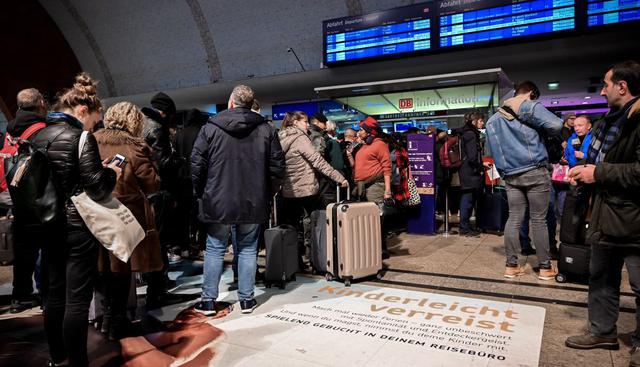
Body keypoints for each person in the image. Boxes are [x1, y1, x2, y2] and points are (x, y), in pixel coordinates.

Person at [26, 73, 120, 366]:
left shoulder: (35, 135)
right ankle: (79, 362)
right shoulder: (80, 137)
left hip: (46, 223)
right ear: (82, 111)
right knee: (77, 300)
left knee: (54, 296)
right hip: (77, 225)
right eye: (94, 119)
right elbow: (96, 186)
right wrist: (110, 173)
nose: (94, 124)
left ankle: (57, 357)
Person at [565, 61, 640, 367]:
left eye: (607, 84)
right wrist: (582, 172)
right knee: (601, 278)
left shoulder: (636, 122)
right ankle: (602, 331)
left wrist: (599, 173)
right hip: (604, 214)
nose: (603, 89)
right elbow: (597, 162)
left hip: (635, 219)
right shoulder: (607, 122)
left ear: (622, 86)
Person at [191, 85, 285, 315]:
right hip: (253, 198)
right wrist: (268, 192)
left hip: (217, 198)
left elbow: (197, 163)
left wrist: (201, 191)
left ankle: (208, 301)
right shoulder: (266, 129)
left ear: (231, 102)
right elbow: (277, 167)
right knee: (247, 249)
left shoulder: (210, 128)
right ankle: (246, 300)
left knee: (214, 249)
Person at [94, 102, 162, 340]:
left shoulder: (91, 140)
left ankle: (105, 319)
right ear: (134, 122)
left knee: (102, 270)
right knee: (121, 272)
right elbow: (152, 183)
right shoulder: (134, 147)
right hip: (125, 216)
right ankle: (117, 323)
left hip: (94, 215)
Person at [485, 80, 563, 280]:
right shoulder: (529, 106)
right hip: (535, 170)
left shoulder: (492, 120)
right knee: (538, 220)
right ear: (531, 93)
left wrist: (504, 172)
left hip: (511, 175)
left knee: (514, 218)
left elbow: (491, 150)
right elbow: (556, 124)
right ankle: (545, 268)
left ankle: (511, 265)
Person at [278, 111, 347, 269]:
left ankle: (295, 263)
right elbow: (317, 161)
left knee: (293, 229)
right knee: (317, 224)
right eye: (304, 122)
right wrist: (339, 178)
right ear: (295, 123)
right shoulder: (300, 137)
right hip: (306, 190)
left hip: (288, 191)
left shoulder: (281, 136)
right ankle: (319, 261)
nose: (307, 125)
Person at [7, 88, 48, 313]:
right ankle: (45, 293)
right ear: (41, 102)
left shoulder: (10, 130)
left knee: (23, 252)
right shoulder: (41, 129)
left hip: (16, 196)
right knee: (47, 248)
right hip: (40, 198)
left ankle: (20, 296)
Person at [141, 92, 182, 308]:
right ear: (165, 112)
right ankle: (158, 290)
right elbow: (162, 162)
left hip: (143, 192)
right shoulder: (157, 127)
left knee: (151, 240)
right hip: (159, 192)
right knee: (159, 241)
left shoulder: (140, 123)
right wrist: (178, 160)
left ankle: (154, 283)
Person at [348, 117, 392, 258]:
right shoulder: (364, 146)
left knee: (376, 219)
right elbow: (358, 167)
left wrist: (387, 191)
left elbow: (387, 168)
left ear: (369, 132)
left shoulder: (380, 144)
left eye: (361, 130)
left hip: (374, 186)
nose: (358, 132)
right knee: (366, 220)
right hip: (362, 187)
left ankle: (381, 249)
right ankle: (369, 247)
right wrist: (350, 157)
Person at [455, 111, 486, 237]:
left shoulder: (464, 133)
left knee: (467, 198)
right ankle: (464, 227)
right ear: (474, 121)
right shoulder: (471, 135)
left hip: (465, 170)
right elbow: (473, 157)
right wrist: (480, 167)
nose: (482, 122)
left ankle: (465, 226)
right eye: (480, 120)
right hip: (470, 171)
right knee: (468, 199)